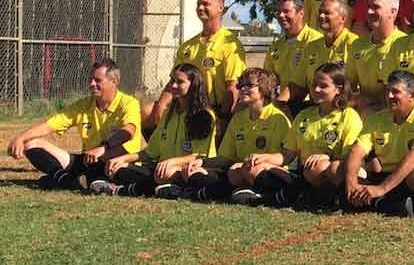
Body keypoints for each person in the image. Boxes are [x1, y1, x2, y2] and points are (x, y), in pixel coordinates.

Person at [7, 59, 143, 190]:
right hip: (87, 161)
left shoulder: (129, 103)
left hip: (117, 162)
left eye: (97, 80)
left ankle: (67, 180)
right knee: (30, 143)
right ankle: (65, 179)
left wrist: (103, 148)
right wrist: (20, 137)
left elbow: (129, 131)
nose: (91, 84)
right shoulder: (83, 105)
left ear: (114, 81)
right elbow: (49, 126)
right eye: (90, 79)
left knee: (110, 170)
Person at [90, 64, 217, 197]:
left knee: (165, 173)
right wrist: (123, 159)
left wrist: (172, 162)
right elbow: (151, 152)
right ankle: (160, 188)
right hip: (161, 168)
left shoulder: (204, 115)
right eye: (172, 80)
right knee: (117, 167)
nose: (173, 85)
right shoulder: (169, 113)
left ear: (193, 85)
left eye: (180, 82)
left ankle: (142, 188)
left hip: (191, 169)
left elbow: (200, 156)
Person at [343, 71, 414, 216]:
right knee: (347, 172)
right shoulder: (377, 118)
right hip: (385, 176)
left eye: (395, 92)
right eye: (387, 91)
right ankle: (392, 203)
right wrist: (351, 183)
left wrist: (382, 188)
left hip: (412, 178)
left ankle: (383, 201)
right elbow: (357, 150)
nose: (389, 96)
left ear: (412, 96)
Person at [184, 68, 291, 202]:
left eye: (249, 85)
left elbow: (283, 158)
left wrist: (257, 160)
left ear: (265, 88)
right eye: (241, 85)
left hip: (267, 171)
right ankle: (238, 192)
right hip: (239, 170)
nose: (243, 89)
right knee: (196, 171)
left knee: (244, 171)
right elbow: (226, 157)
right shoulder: (238, 118)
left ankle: (267, 195)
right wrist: (202, 162)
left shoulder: (278, 119)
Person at [268, 62, 364, 208]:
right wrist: (262, 159)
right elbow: (287, 155)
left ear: (338, 89)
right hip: (307, 173)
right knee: (262, 168)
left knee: (328, 167)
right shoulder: (303, 115)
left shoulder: (349, 116)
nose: (316, 89)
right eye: (313, 85)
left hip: (340, 170)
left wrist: (326, 157)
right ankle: (308, 197)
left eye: (323, 86)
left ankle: (342, 200)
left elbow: (352, 157)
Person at [169, 0, 245, 120]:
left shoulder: (231, 45)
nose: (200, 8)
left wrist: (222, 118)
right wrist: (160, 106)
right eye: (198, 4)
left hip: (214, 111)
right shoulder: (188, 46)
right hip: (187, 109)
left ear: (220, 8)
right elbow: (173, 82)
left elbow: (233, 87)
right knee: (147, 111)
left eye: (206, 4)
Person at [346, 0, 406, 113]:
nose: (369, 11)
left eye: (376, 7)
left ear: (393, 12)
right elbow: (350, 82)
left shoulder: (404, 45)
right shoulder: (357, 44)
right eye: (368, 7)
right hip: (363, 112)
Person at [264, 0, 322, 114]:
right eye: (278, 12)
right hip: (281, 103)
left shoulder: (316, 41)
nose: (281, 15)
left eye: (286, 11)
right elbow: (267, 80)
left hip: (308, 105)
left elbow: (301, 86)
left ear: (301, 13)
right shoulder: (276, 46)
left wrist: (276, 105)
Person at [302, 0, 360, 92]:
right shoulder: (311, 46)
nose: (321, 16)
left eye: (327, 13)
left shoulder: (354, 44)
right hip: (315, 99)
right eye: (320, 12)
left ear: (343, 18)